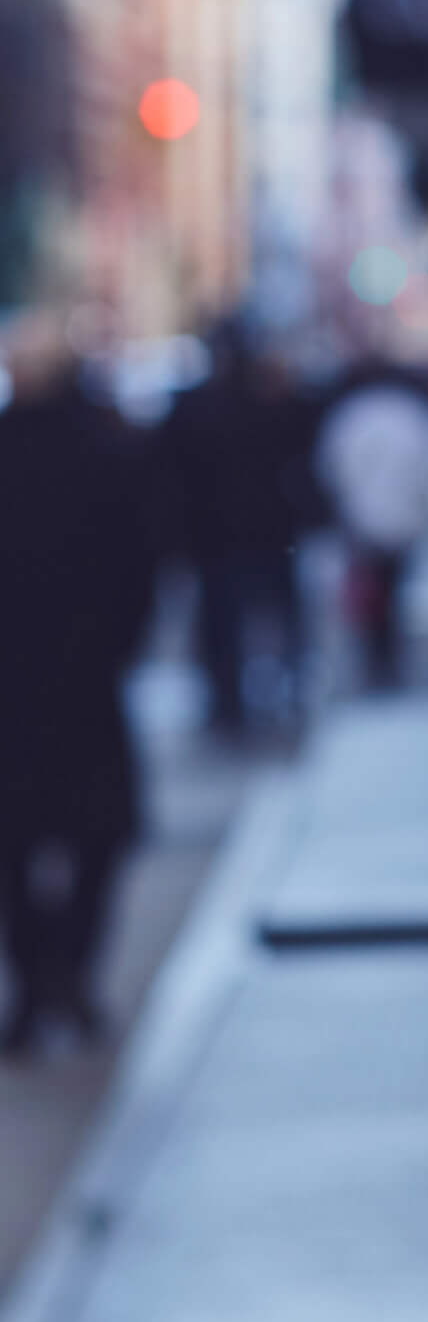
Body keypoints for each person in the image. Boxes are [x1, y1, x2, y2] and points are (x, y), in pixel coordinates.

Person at [0, 312, 162, 1054]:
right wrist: (120, 645)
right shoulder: (112, 451)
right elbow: (143, 566)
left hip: (18, 685)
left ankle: (40, 981)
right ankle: (67, 973)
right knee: (99, 834)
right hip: (87, 679)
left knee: (16, 844)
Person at [160, 320, 318, 735]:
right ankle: (260, 696)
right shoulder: (263, 402)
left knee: (232, 624)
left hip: (229, 536)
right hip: (246, 534)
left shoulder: (209, 405)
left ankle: (238, 702)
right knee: (261, 619)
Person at [315, 361, 428, 691]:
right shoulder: (413, 415)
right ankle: (390, 661)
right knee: (393, 594)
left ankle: (375, 659)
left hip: (362, 521)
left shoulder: (349, 416)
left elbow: (332, 468)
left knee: (370, 594)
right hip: (403, 520)